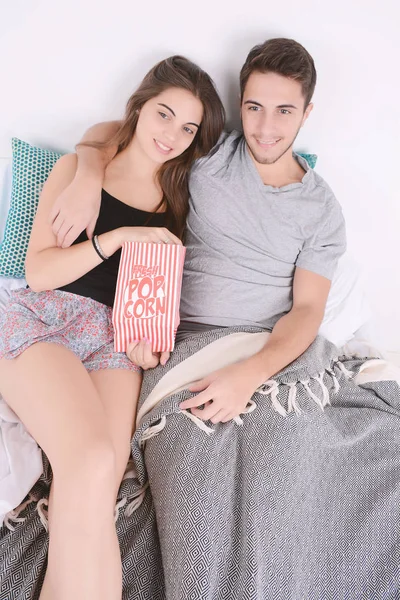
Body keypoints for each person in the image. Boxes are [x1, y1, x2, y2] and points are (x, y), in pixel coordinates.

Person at [0, 55, 224, 600]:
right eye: (163, 114)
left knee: (100, 486)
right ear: (140, 107)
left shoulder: (181, 199)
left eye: (187, 127)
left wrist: (152, 345)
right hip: (43, 316)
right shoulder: (79, 174)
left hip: (114, 341)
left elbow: (159, 295)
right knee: (94, 458)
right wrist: (116, 234)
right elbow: (40, 271)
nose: (171, 135)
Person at [51, 38, 346, 419]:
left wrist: (249, 375)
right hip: (188, 344)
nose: (266, 127)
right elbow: (124, 131)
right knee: (192, 458)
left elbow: (307, 310)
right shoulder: (209, 154)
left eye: (284, 111)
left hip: (265, 350)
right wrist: (87, 176)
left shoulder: (322, 209)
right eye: (254, 108)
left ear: (306, 113)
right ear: (240, 105)